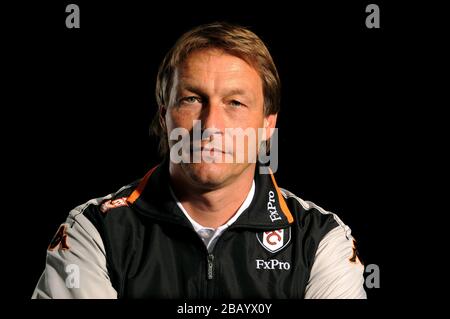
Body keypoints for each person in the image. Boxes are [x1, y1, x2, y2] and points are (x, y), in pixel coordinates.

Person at [32, 22, 366, 299]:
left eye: (235, 102)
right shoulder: (95, 231)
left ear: (267, 125)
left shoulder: (320, 239)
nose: (211, 125)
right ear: (165, 116)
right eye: (192, 99)